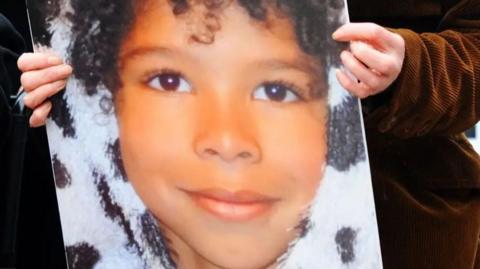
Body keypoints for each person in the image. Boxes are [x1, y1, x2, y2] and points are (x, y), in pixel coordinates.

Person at [18, 0, 480, 269]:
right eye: (169, 81)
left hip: (398, 222)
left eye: (276, 89)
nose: (226, 138)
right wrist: (54, 86)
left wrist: (408, 70)